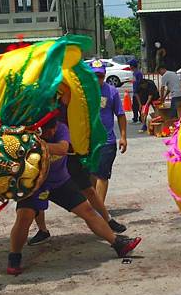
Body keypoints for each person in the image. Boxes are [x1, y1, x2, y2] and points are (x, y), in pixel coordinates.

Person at [7, 118, 141, 275]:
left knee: (88, 210)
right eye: (47, 130)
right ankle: (14, 258)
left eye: (52, 129)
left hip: (60, 182)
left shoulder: (61, 128)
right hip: (33, 184)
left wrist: (35, 145)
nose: (51, 132)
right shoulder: (25, 132)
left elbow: (63, 148)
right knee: (24, 218)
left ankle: (118, 243)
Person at [28, 100, 127, 246]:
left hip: (72, 150)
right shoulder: (37, 100)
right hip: (42, 156)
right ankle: (42, 230)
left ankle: (107, 219)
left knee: (87, 189)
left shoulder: (70, 94)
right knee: (36, 194)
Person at [90, 60, 128, 203]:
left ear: (104, 75)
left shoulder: (111, 92)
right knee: (91, 175)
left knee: (102, 176)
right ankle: (93, 205)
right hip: (88, 142)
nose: (97, 79)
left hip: (107, 141)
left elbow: (120, 114)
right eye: (94, 75)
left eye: (100, 76)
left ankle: (99, 209)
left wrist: (123, 137)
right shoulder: (84, 92)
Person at [129, 59, 143, 123]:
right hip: (135, 92)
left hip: (138, 92)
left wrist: (137, 90)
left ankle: (141, 118)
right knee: (134, 106)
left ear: (133, 66)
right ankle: (135, 118)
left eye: (130, 65)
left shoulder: (138, 73)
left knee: (139, 105)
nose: (129, 67)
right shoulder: (134, 73)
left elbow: (139, 82)